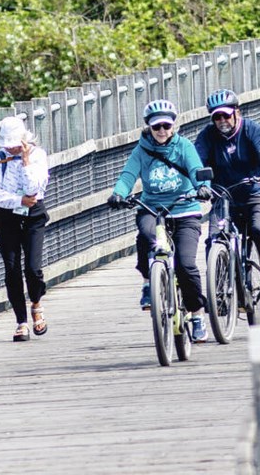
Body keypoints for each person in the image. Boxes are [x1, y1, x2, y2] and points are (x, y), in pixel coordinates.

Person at [107, 100, 212, 343]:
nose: (162, 131)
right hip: (153, 208)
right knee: (146, 235)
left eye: (166, 125)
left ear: (173, 126)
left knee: (186, 266)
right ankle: (148, 282)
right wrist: (118, 194)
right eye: (157, 127)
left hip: (185, 210)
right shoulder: (141, 150)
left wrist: (203, 187)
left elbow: (197, 170)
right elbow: (128, 175)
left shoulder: (184, 146)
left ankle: (197, 315)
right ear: (149, 128)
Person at [194, 89, 260, 286]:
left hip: (255, 192)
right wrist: (201, 185)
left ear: (237, 112)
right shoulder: (207, 136)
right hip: (223, 197)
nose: (222, 120)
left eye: (226, 114)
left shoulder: (251, 129)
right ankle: (218, 289)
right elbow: (197, 162)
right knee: (215, 238)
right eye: (217, 117)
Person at [0, 115, 50, 342]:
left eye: (14, 144)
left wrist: (24, 162)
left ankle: (37, 304)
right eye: (7, 145)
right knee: (11, 269)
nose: (10, 148)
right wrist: (18, 200)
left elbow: (35, 188)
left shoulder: (38, 155)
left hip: (33, 215)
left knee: (32, 268)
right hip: (7, 216)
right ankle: (21, 321)